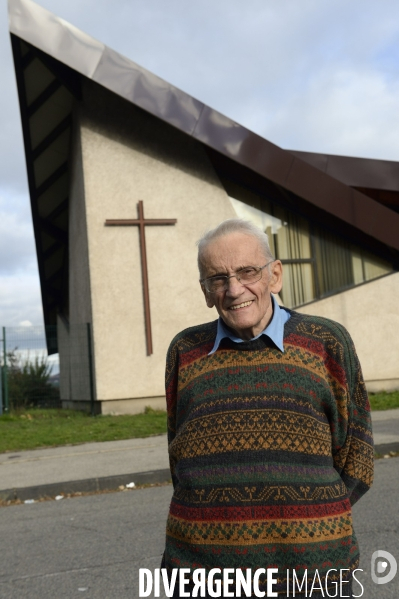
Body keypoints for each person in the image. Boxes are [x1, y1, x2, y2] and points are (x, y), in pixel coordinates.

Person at [163, 219, 373, 598]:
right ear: (206, 292)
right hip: (201, 571)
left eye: (247, 272)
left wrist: (309, 514)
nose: (234, 289)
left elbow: (357, 454)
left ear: (275, 275)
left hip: (314, 570)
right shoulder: (184, 350)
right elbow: (180, 456)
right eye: (218, 279)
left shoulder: (327, 341)